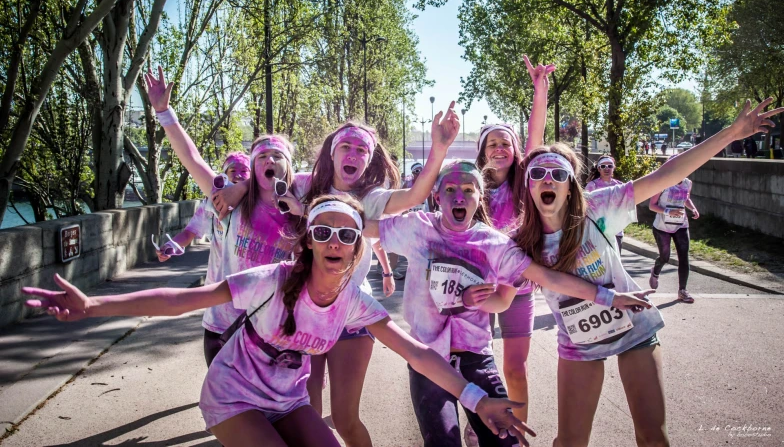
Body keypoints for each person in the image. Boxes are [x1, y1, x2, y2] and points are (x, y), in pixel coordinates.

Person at [23, 195, 535, 447]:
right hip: (233, 396)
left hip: (286, 398)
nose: (335, 241)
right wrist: (93, 307)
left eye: (347, 234)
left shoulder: (354, 302)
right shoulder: (271, 279)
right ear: (309, 239)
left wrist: (476, 399)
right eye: (323, 231)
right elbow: (181, 298)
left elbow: (418, 354)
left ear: (359, 246)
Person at [511, 97, 782, 447]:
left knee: (653, 437)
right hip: (580, 343)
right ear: (529, 185)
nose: (548, 180)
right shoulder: (521, 242)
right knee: (570, 442)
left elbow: (667, 174)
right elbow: (501, 297)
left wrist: (731, 134)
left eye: (559, 174)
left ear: (570, 185)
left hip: (634, 326)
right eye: (538, 174)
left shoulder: (599, 207)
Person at [212, 103, 462, 447]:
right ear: (333, 153)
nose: (354, 154)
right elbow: (266, 186)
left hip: (351, 318)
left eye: (362, 150)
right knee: (306, 412)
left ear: (368, 159)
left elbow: (415, 196)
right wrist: (239, 188)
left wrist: (439, 148)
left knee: (345, 420)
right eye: (346, 147)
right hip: (305, 315)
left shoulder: (370, 199)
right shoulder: (302, 186)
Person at [364, 160, 652, 447]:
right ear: (436, 196)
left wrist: (609, 297)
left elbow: (548, 277)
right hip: (427, 357)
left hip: (475, 354)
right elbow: (364, 228)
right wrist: (326, 208)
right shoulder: (417, 228)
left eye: (468, 189)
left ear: (479, 198)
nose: (459, 197)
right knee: (442, 441)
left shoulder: (495, 245)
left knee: (504, 441)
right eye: (449, 189)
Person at [144, 67, 300, 367]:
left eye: (277, 156)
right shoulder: (227, 202)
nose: (269, 160)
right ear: (254, 167)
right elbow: (192, 160)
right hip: (222, 326)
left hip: (272, 331)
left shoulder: (298, 211)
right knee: (222, 409)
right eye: (262, 157)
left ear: (288, 167)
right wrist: (164, 112)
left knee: (267, 412)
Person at [469, 55, 552, 446]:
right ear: (483, 152)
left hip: (518, 289)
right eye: (492, 144)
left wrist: (540, 91)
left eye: (506, 143)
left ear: (515, 150)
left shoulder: (524, 182)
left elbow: (536, 137)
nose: (499, 149)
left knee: (515, 368)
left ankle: (516, 435)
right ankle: (478, 422)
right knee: (476, 366)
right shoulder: (472, 189)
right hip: (479, 291)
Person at [155, 151, 250, 263]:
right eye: (232, 170)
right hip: (219, 274)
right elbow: (189, 233)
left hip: (250, 274)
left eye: (244, 171)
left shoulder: (261, 202)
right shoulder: (212, 202)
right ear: (224, 175)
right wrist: (170, 246)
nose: (238, 175)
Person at [648, 159, 700, 303]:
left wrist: (693, 208)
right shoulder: (662, 183)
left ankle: (682, 291)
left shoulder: (687, 183)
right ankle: (655, 271)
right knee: (665, 257)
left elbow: (685, 198)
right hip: (662, 227)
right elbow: (652, 205)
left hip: (681, 225)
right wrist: (668, 211)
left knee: (684, 256)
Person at [585, 155, 624, 252]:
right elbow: (585, 206)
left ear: (614, 168)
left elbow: (626, 205)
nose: (607, 168)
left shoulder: (620, 185)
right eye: (603, 166)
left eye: (610, 166)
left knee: (616, 261)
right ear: (598, 169)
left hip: (616, 231)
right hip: (598, 230)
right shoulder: (592, 186)